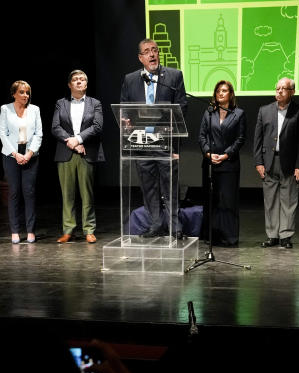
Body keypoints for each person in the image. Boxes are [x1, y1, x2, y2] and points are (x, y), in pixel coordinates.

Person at [120, 38, 188, 238]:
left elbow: (182, 107)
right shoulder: (130, 79)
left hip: (165, 141)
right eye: (147, 52)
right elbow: (124, 107)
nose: (152, 54)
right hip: (141, 142)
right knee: (148, 187)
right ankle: (156, 224)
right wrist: (126, 121)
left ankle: (174, 226)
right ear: (140, 58)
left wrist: (175, 145)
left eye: (155, 51)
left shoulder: (173, 76)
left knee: (170, 185)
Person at [253, 78, 299, 249]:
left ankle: (285, 236)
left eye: (284, 89)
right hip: (269, 161)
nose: (279, 92)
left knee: (289, 200)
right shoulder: (265, 110)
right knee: (270, 200)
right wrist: (258, 162)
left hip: (290, 163)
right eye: (277, 88)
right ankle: (272, 235)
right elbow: (258, 138)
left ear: (292, 91)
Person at [53, 70, 104, 244]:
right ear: (69, 84)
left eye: (82, 79)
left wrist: (79, 139)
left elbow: (97, 126)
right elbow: (56, 127)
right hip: (66, 153)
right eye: (75, 80)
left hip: (86, 151)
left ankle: (89, 230)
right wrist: (71, 141)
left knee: (87, 193)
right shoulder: (61, 103)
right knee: (67, 194)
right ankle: (68, 230)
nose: (79, 82)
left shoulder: (94, 103)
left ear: (87, 84)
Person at [198, 80, 246, 247]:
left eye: (224, 90)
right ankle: (212, 236)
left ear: (231, 94)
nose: (220, 93)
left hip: (229, 165)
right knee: (212, 201)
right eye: (218, 90)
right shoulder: (209, 112)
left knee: (227, 201)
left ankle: (228, 237)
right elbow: (202, 136)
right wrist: (208, 153)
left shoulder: (238, 114)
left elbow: (240, 139)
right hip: (210, 164)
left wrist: (225, 155)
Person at [0, 80, 43, 244]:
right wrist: (15, 153)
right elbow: (3, 134)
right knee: (14, 192)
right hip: (11, 154)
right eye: (22, 92)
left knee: (29, 192)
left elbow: (39, 134)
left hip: (30, 153)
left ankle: (31, 230)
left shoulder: (35, 110)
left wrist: (30, 153)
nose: (25, 95)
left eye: (27, 92)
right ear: (14, 94)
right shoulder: (5, 109)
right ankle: (15, 230)